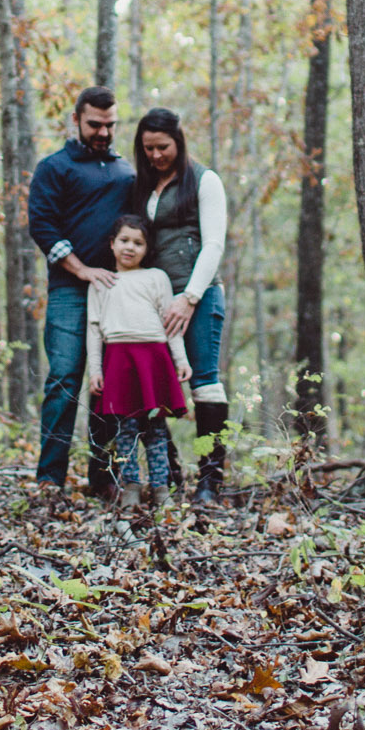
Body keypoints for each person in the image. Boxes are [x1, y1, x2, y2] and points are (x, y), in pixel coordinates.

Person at [24, 86, 136, 493]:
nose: (103, 132)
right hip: (71, 291)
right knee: (65, 379)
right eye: (95, 124)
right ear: (76, 120)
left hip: (118, 294)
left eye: (110, 125)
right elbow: (42, 225)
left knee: (108, 383)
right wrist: (81, 269)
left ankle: (102, 480)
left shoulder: (126, 171)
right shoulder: (55, 167)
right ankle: (49, 480)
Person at [130, 108, 231, 502]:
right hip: (149, 298)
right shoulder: (142, 186)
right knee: (149, 385)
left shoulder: (205, 181)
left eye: (163, 147)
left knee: (204, 382)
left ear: (179, 141)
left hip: (199, 296)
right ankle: (167, 471)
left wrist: (190, 298)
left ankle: (210, 479)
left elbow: (214, 245)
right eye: (148, 148)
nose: (156, 155)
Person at [85, 215, 190, 505]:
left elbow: (171, 323)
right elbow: (93, 330)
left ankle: (160, 488)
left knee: (156, 429)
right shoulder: (101, 282)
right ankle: (130, 487)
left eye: (138, 243)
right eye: (124, 240)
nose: (130, 247)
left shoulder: (156, 278)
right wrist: (95, 370)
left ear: (147, 248)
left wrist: (180, 359)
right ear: (112, 243)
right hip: (118, 359)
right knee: (125, 429)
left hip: (154, 358)